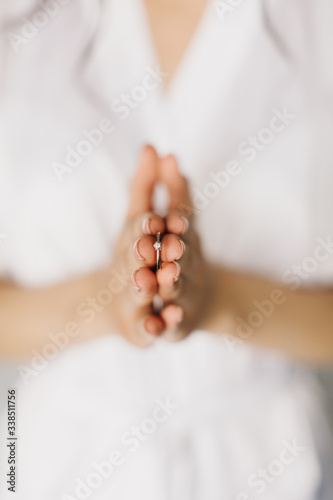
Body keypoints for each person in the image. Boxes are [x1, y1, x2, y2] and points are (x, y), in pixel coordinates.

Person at [0, 0, 333, 498]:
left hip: (271, 466)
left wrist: (220, 300)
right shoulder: (18, 29)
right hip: (48, 465)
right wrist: (103, 300)